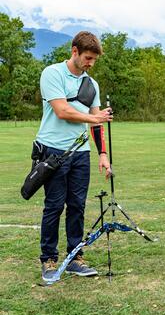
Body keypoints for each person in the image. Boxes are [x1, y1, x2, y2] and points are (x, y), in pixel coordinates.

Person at [36, 31, 113, 282]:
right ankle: (48, 260)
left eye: (94, 60)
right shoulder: (53, 73)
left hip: (81, 153)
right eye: (88, 58)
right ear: (74, 51)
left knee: (77, 206)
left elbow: (97, 123)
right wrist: (94, 118)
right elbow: (62, 111)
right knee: (54, 206)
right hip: (54, 151)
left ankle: (75, 257)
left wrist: (102, 153)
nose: (90, 63)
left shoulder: (92, 84)